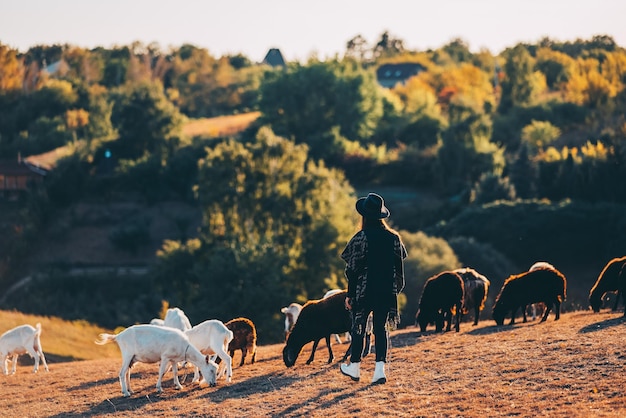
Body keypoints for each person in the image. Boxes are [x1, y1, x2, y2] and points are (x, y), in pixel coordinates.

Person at [339, 192, 407, 384]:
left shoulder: (360, 238)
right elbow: (399, 270)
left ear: (364, 216)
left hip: (364, 290)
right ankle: (380, 371)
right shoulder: (394, 238)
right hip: (386, 290)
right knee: (381, 328)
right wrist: (394, 290)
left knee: (358, 326)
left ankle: (354, 367)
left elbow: (351, 270)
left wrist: (350, 294)